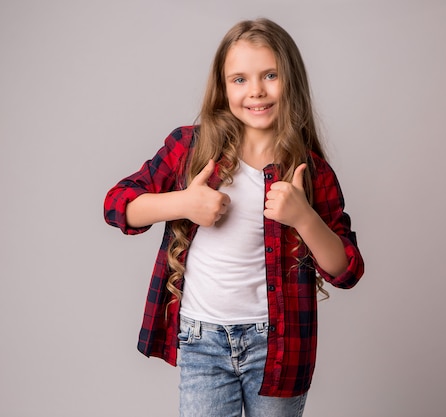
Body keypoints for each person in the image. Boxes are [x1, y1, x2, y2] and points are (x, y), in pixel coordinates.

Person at [104, 18, 364, 417]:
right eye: (239, 79)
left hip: (277, 346)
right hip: (201, 339)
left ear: (291, 80)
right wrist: (184, 204)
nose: (256, 90)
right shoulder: (189, 147)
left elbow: (346, 270)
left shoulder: (310, 171)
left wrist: (304, 217)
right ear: (223, 88)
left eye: (270, 75)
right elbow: (117, 204)